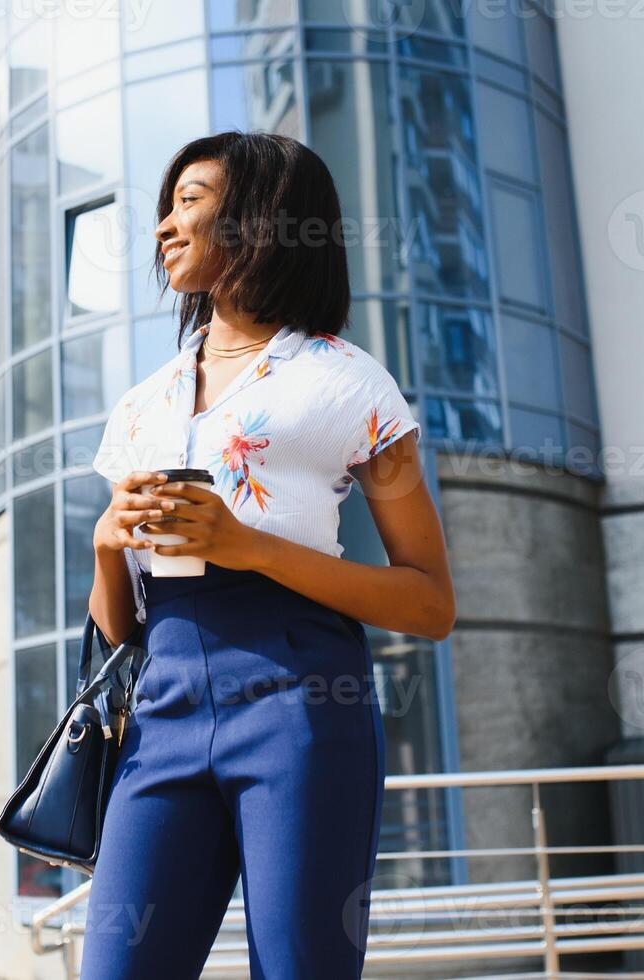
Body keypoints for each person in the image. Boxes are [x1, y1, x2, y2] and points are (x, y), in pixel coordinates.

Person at [85, 131, 457, 979]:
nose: (163, 228)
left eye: (190, 200)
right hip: (162, 709)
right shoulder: (141, 405)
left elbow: (431, 604)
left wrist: (247, 546)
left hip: (300, 706)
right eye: (166, 206)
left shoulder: (351, 383)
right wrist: (107, 545)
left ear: (259, 217)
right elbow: (117, 633)